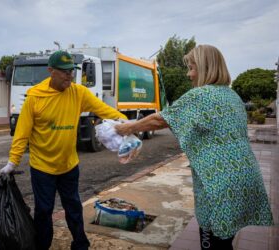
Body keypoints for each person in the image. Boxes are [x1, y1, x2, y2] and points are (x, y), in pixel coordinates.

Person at [115, 45, 273, 250]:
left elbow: (161, 120)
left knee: (212, 241)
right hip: (244, 176)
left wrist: (128, 127)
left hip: (218, 182)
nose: (189, 74)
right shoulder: (232, 96)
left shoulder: (200, 95)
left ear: (206, 68)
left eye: (192, 68)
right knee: (225, 242)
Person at [0, 50, 127, 250]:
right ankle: (42, 246)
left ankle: (80, 245)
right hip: (42, 168)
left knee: (74, 208)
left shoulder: (78, 92)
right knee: (43, 211)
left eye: (72, 71)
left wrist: (128, 124)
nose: (69, 75)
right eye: (65, 71)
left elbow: (103, 109)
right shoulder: (35, 97)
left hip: (69, 165)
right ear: (51, 71)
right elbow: (22, 134)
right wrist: (12, 162)